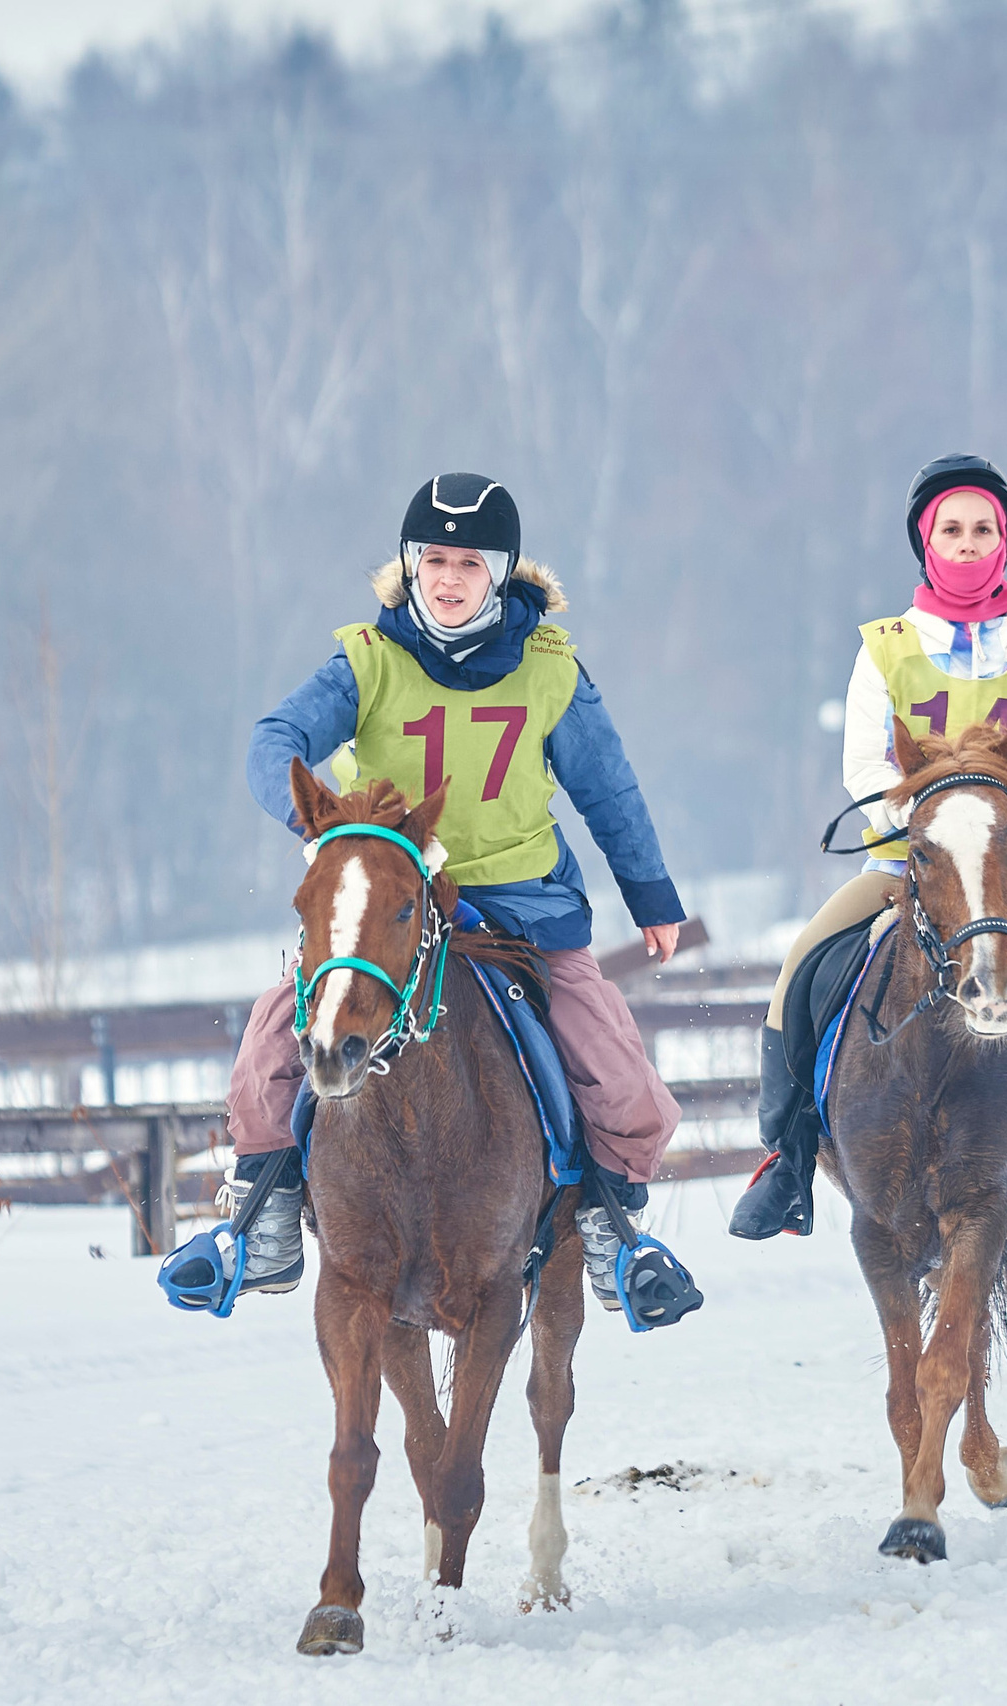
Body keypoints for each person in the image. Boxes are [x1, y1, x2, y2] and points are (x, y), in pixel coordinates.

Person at [219, 472, 689, 1309]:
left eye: (468, 564)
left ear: (500, 574)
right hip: (387, 902)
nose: (447, 579)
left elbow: (606, 787)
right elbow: (276, 738)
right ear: (411, 566)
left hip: (521, 912)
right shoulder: (366, 662)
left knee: (616, 1072)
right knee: (271, 1039)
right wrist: (320, 828)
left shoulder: (550, 670)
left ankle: (617, 1233)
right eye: (433, 560)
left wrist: (650, 895)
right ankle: (265, 1220)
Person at [729, 453, 1007, 1251]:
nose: (968, 543)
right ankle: (787, 1155)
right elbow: (867, 766)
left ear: (1005, 544)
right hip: (912, 867)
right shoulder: (885, 647)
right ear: (926, 542)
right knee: (802, 963)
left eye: (983, 530)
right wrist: (915, 844)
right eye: (953, 529)